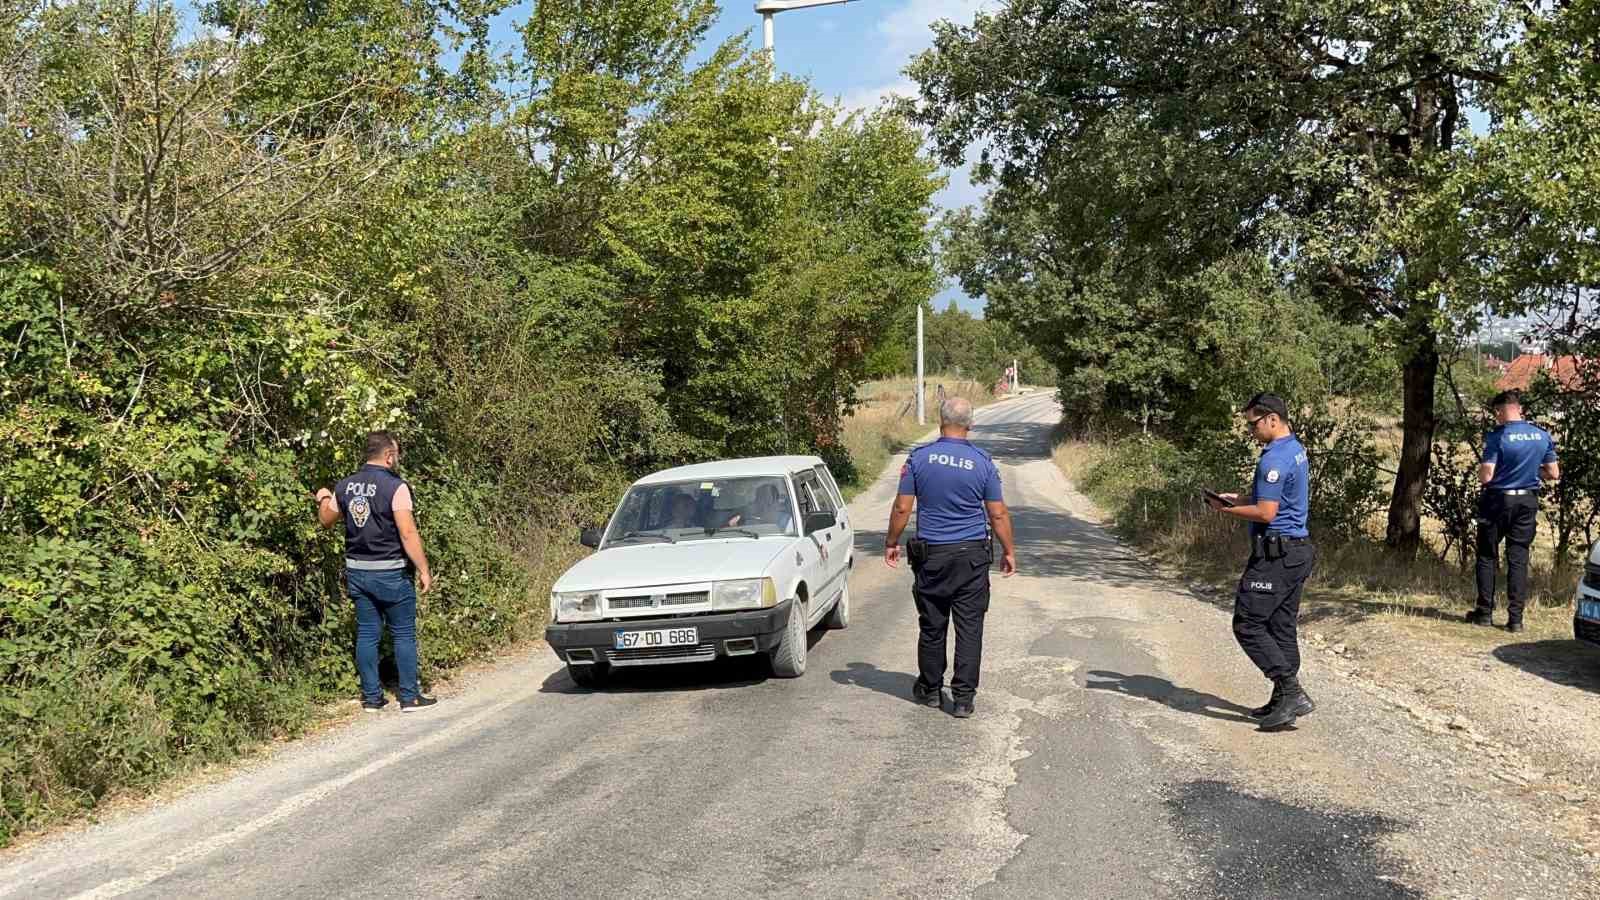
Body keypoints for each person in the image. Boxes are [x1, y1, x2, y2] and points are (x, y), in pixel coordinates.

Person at [884, 396, 1017, 718]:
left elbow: (903, 507)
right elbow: (997, 514)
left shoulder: (919, 459)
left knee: (932, 625)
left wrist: (891, 542)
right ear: (970, 424)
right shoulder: (982, 462)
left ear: (939, 420)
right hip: (972, 556)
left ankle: (930, 691)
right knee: (970, 628)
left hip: (932, 557)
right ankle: (963, 699)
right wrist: (1009, 551)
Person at [1206, 392, 1315, 731]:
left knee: (1248, 623)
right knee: (1281, 625)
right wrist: (1239, 499)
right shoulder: (1294, 449)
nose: (1251, 430)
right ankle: (1283, 700)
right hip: (1297, 551)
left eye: (1253, 423)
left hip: (1277, 555)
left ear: (1271, 419)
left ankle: (1290, 691)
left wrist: (1226, 510)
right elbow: (1276, 499)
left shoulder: (1273, 460)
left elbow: (1267, 512)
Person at [314, 431, 437, 713]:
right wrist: (423, 569)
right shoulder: (396, 487)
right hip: (391, 572)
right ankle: (409, 697)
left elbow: (326, 519)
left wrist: (323, 497)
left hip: (358, 572)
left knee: (368, 633)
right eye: (397, 453)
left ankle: (371, 698)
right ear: (388, 456)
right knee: (403, 634)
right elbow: (407, 532)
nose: (398, 458)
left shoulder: (344, 486)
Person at [1468, 390, 1560, 633]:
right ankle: (1515, 620)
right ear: (1519, 408)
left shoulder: (1498, 437)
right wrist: (1531, 473)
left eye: (1495, 413)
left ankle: (1484, 613)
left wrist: (1490, 475)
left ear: (1499, 411)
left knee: (1487, 555)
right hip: (1527, 502)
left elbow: (1487, 475)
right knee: (1518, 558)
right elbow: (1553, 473)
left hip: (1498, 500)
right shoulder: (1542, 435)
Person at [727, 482, 793, 532]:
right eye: (759, 499)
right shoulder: (749, 519)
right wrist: (734, 525)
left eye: (767, 500)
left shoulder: (788, 520)